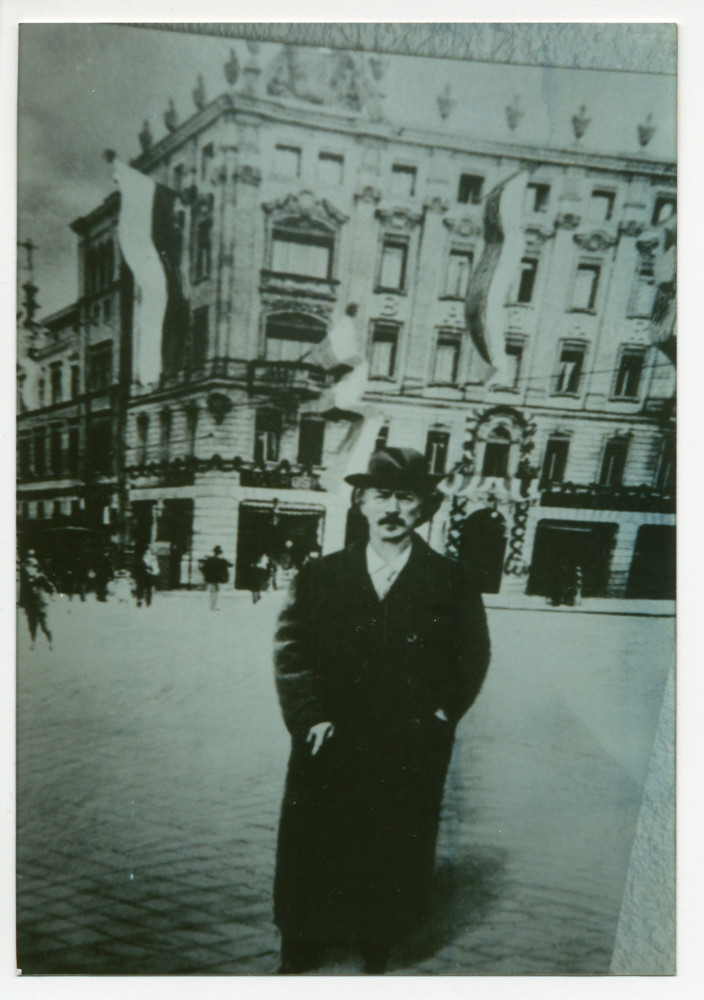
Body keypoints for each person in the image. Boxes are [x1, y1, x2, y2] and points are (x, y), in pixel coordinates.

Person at [273, 447, 491, 975]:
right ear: (361, 503)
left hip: (408, 739)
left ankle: (378, 939)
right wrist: (311, 717)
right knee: (315, 836)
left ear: (426, 508)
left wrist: (442, 715)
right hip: (331, 733)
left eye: (406, 497)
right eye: (382, 495)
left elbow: (473, 655)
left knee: (394, 838)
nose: (392, 508)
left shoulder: (452, 580)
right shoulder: (322, 574)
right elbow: (292, 649)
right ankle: (302, 939)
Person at [19, 549, 54, 650]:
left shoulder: (40, 577)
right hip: (31, 605)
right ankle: (33, 642)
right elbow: (23, 591)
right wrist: (23, 603)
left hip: (41, 603)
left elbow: (50, 587)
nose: (28, 568)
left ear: (35, 567)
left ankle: (50, 642)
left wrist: (51, 595)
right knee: (32, 625)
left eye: (31, 566)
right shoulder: (26, 579)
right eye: (27, 567)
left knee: (44, 625)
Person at [199, 545, 232, 610]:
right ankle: (213, 606)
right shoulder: (222, 559)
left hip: (211, 578)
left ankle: (212, 606)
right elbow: (231, 565)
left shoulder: (210, 559)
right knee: (215, 592)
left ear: (214, 552)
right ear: (220, 553)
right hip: (218, 578)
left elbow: (204, 567)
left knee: (213, 591)